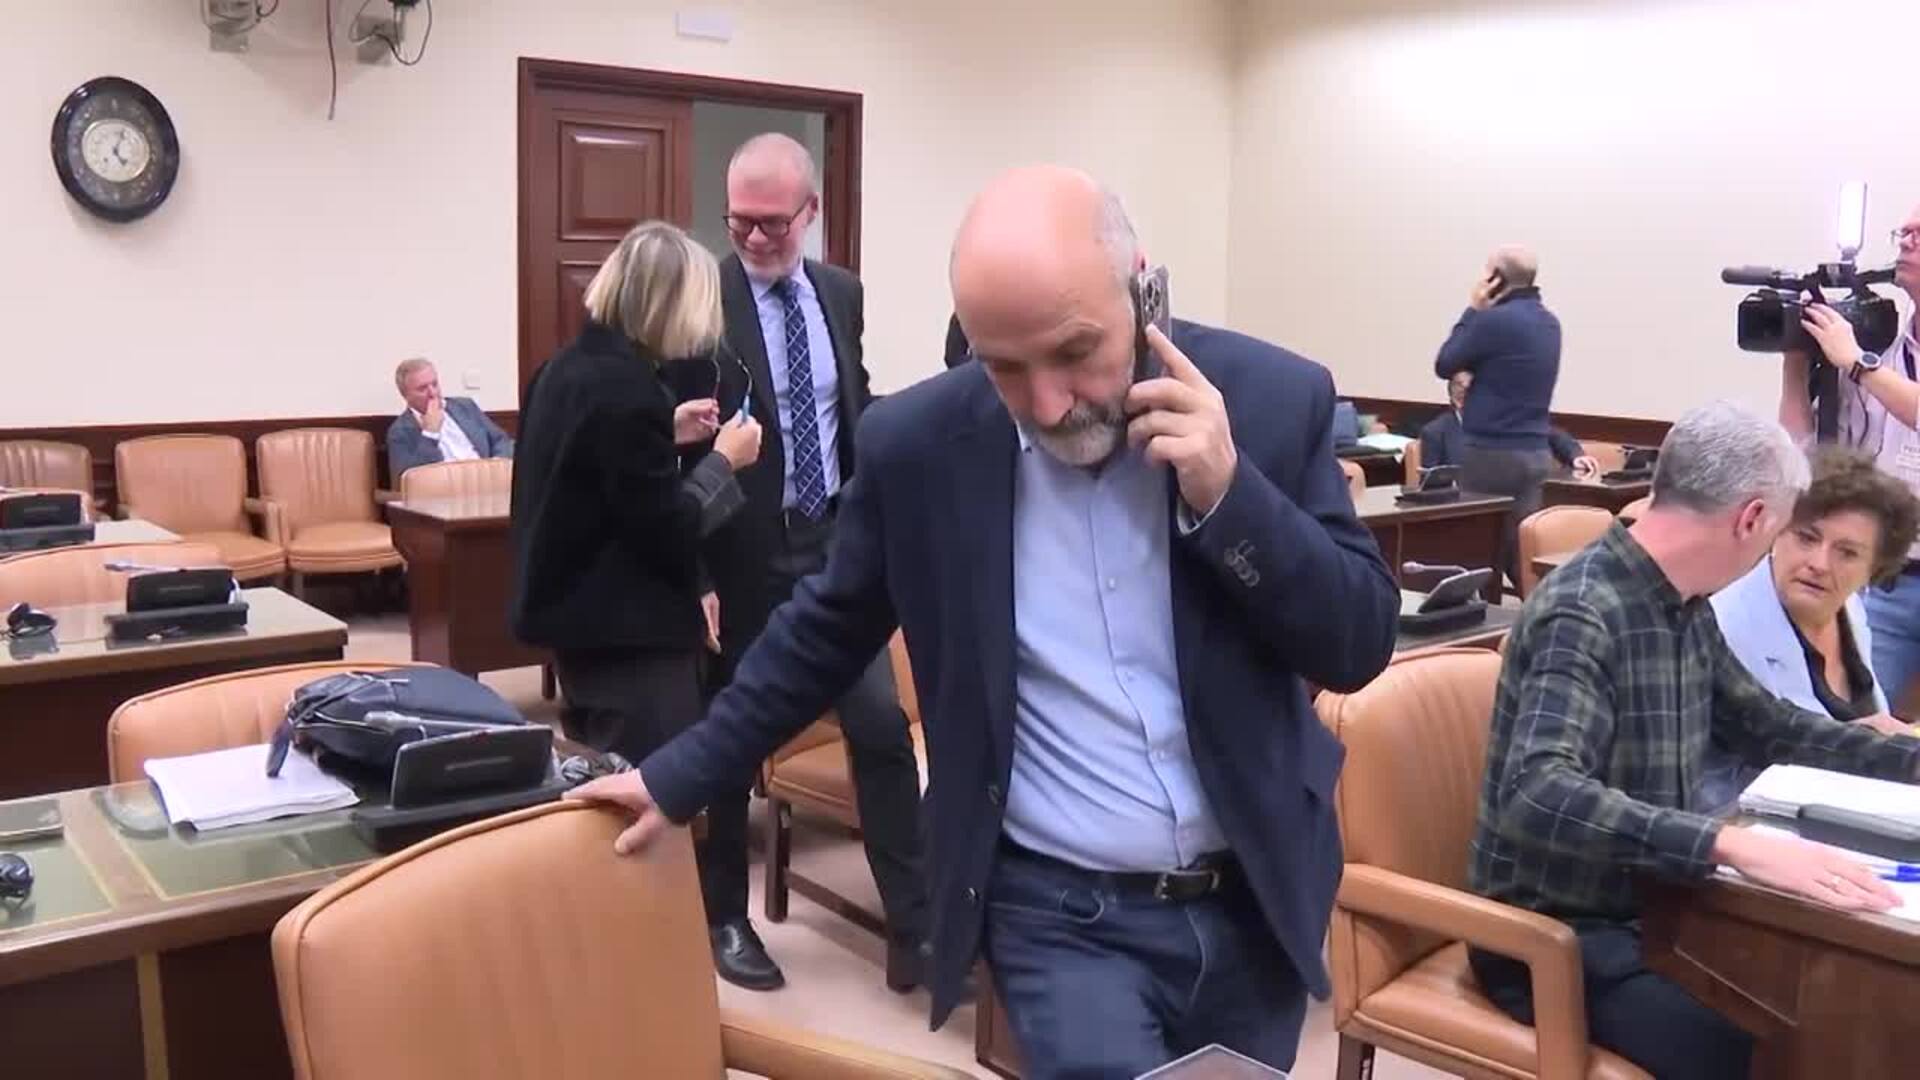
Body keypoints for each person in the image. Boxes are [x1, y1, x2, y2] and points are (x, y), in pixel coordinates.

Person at [571, 165, 1400, 1077]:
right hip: (1060, 915)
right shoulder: (920, 444)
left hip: (1256, 889)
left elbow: (1356, 643)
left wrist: (1232, 497)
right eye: (1004, 366)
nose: (1048, 405)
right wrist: (678, 775)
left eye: (1075, 352)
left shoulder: (1271, 400)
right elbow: (825, 630)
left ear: (1143, 290)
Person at [1468, 401, 1920, 1080]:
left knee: (1838, 1013)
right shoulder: (1582, 611)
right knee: (1772, 1048)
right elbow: (1538, 795)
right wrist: (1728, 844)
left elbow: (1769, 725)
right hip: (1556, 937)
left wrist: (1910, 759)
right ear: (1751, 519)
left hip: (1655, 905)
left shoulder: (1681, 602)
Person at [665, 132, 929, 992]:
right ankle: (724, 917)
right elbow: (670, 447)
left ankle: (917, 927)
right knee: (730, 741)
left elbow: (851, 404)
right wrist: (696, 576)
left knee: (880, 727)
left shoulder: (841, 294)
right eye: (738, 221)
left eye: (772, 223)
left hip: (837, 551)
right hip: (743, 553)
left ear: (810, 211)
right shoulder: (700, 297)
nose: (752, 237)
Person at [507, 220, 767, 983]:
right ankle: (649, 970)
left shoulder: (566, 370)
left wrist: (669, 431)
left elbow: (596, 480)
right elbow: (668, 529)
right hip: (631, 635)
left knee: (607, 781)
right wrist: (723, 461)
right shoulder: (627, 391)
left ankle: (613, 954)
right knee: (655, 806)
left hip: (578, 629)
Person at [1701, 447, 1920, 809]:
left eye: (1847, 553)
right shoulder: (1724, 625)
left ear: (1875, 568)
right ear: (1776, 531)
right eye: (1806, 538)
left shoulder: (1850, 609)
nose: (1819, 563)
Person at [1785, 203, 1920, 709]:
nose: (1905, 240)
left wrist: (1858, 365)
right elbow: (1807, 452)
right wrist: (1795, 363)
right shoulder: (1876, 351)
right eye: (1904, 230)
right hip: (1884, 579)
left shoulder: (1864, 362)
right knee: (1854, 724)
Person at [1433, 246, 1563, 578]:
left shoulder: (1493, 321)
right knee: (1521, 556)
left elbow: (1445, 363)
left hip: (1491, 454)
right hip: (1536, 453)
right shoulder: (1550, 324)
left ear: (1496, 279)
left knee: (1473, 550)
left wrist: (1473, 310)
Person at [1418, 370, 1597, 477]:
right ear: (1457, 400)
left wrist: (1576, 456)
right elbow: (1429, 488)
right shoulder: (1436, 432)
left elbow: (1552, 434)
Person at [385, 358, 515, 483]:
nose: (433, 393)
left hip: (486, 480)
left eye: (434, 384)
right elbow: (407, 480)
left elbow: (501, 440)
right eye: (422, 389)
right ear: (405, 395)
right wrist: (430, 434)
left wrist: (497, 463)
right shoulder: (399, 432)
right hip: (445, 491)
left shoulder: (464, 406)